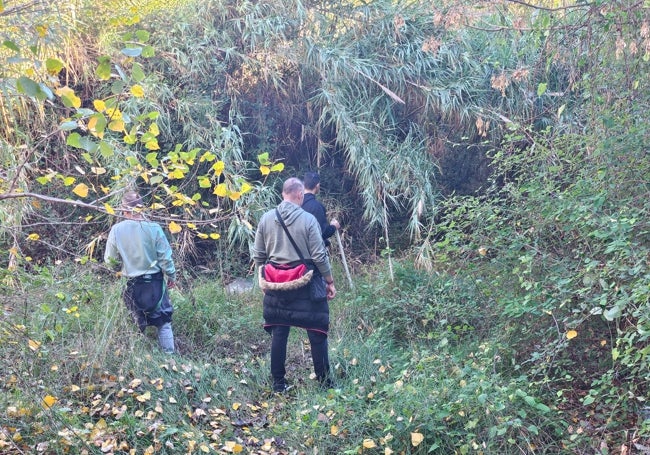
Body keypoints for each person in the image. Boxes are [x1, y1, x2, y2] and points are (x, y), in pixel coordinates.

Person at [253, 177, 337, 392]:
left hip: (275, 283)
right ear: (300, 195)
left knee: (279, 334)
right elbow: (319, 256)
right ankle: (325, 384)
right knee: (317, 331)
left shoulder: (266, 218)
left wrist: (262, 280)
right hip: (305, 284)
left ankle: (278, 384)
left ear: (283, 194)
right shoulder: (308, 220)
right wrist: (329, 281)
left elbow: (259, 255)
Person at [104, 190, 177, 354]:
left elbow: (109, 260)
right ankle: (170, 357)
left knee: (136, 321)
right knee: (163, 321)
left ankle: (139, 358)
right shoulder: (154, 228)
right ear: (142, 208)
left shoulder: (116, 230)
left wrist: (118, 271)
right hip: (155, 284)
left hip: (131, 284)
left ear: (124, 210)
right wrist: (172, 276)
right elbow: (165, 258)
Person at [302, 171, 340, 247]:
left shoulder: (295, 204)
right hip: (312, 254)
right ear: (317, 185)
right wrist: (333, 227)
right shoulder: (317, 207)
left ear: (303, 185)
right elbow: (322, 233)